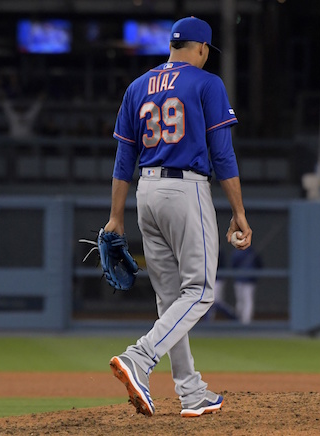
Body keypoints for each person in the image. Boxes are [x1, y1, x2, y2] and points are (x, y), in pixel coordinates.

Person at [105, 16, 252, 418]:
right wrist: (238, 212)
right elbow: (222, 153)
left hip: (145, 192)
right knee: (201, 291)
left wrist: (116, 217)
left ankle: (191, 392)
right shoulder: (207, 83)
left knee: (170, 298)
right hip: (184, 188)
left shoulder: (137, 87)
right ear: (202, 48)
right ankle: (140, 357)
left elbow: (124, 157)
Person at [230, 246, 263, 325]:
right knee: (244, 301)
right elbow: (233, 265)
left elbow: (259, 264)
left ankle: (243, 321)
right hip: (245, 280)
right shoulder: (247, 252)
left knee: (244, 301)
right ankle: (244, 321)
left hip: (246, 280)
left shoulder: (252, 252)